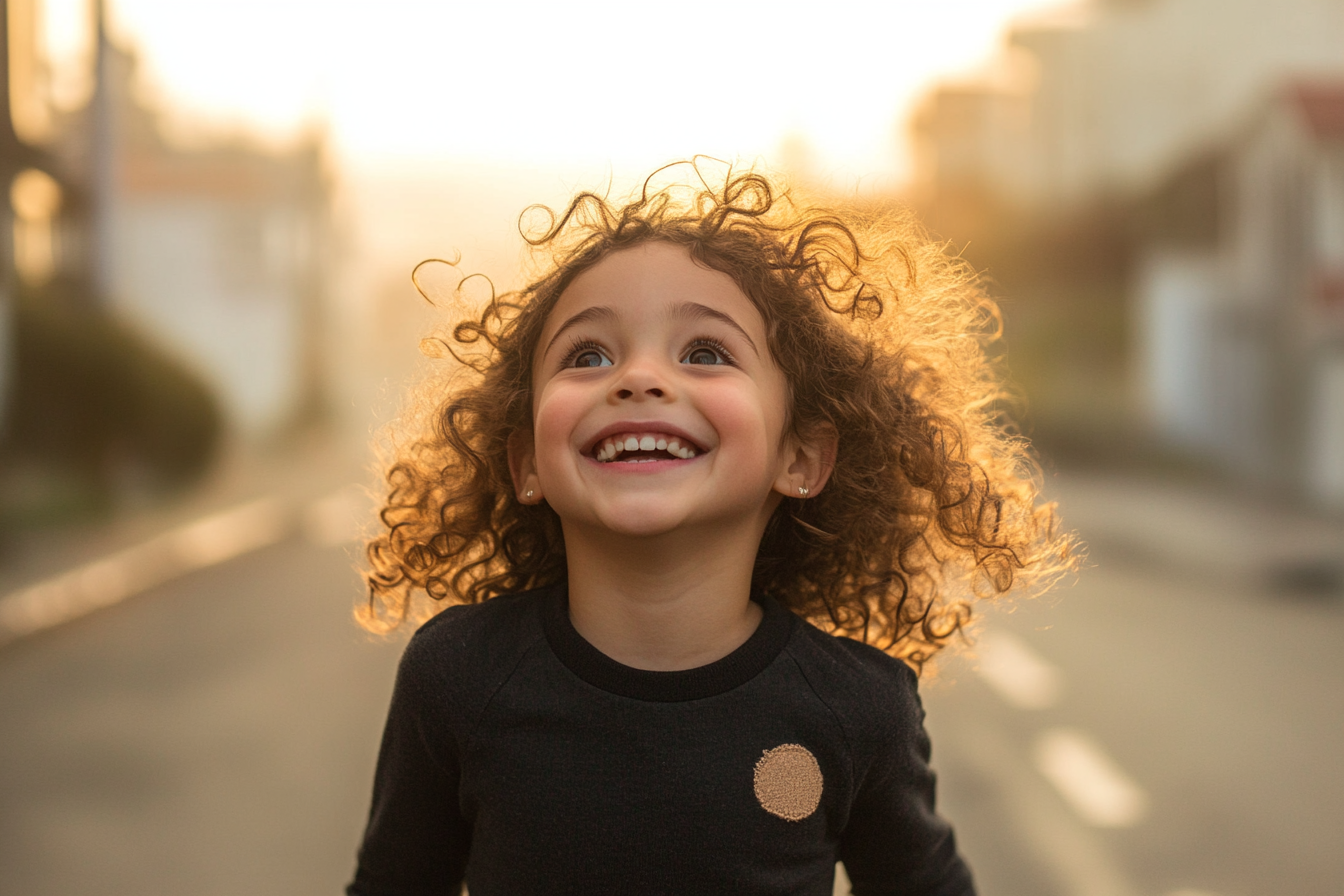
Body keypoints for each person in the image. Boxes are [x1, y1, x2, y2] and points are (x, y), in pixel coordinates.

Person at [346, 163, 1075, 896]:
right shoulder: (456, 676)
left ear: (799, 457)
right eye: (587, 355)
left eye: (705, 354)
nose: (637, 378)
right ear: (527, 462)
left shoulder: (857, 709)